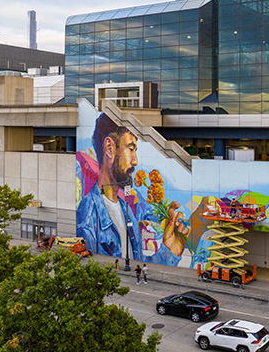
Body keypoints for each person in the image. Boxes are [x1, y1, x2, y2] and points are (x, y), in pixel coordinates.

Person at [76, 114, 191, 266]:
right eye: (131, 149)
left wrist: (169, 250)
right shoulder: (88, 220)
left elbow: (138, 265)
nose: (135, 160)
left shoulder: (126, 211)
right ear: (110, 148)